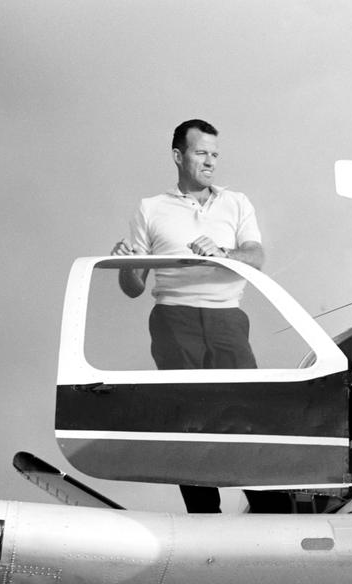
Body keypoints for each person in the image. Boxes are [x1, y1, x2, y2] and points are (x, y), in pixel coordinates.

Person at [111, 119, 266, 513]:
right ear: (179, 156)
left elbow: (257, 258)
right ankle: (204, 514)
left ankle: (271, 504)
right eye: (201, 153)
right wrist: (125, 264)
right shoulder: (151, 208)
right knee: (188, 415)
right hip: (174, 317)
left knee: (247, 412)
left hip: (228, 319)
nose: (210, 161)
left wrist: (223, 253)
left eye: (215, 154)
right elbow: (133, 286)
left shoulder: (237, 202)